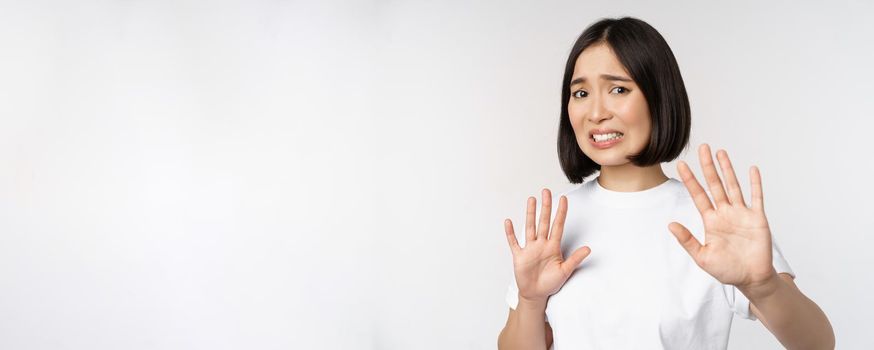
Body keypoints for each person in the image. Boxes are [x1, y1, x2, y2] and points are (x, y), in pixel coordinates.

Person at [496, 17, 834, 350]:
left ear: (660, 97)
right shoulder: (553, 225)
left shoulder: (716, 224)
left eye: (618, 89)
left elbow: (818, 344)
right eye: (581, 92)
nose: (595, 112)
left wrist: (763, 287)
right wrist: (530, 300)